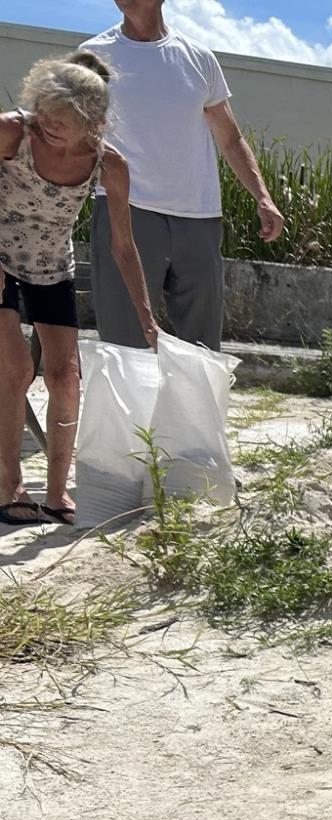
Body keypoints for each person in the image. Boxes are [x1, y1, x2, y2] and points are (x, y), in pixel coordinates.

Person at [0, 52, 158, 527]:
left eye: (59, 121)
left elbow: (124, 247)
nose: (44, 124)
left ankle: (56, 493)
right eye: (42, 112)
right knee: (16, 367)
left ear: (94, 123)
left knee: (67, 377)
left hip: (51, 266)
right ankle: (9, 487)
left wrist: (146, 316)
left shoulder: (109, 164)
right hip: (0, 259)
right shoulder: (12, 131)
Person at [83, 0, 284, 351]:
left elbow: (231, 138)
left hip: (198, 217)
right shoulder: (92, 55)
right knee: (125, 347)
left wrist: (263, 196)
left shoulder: (199, 58)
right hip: (125, 213)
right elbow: (77, 134)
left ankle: (192, 409)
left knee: (201, 351)